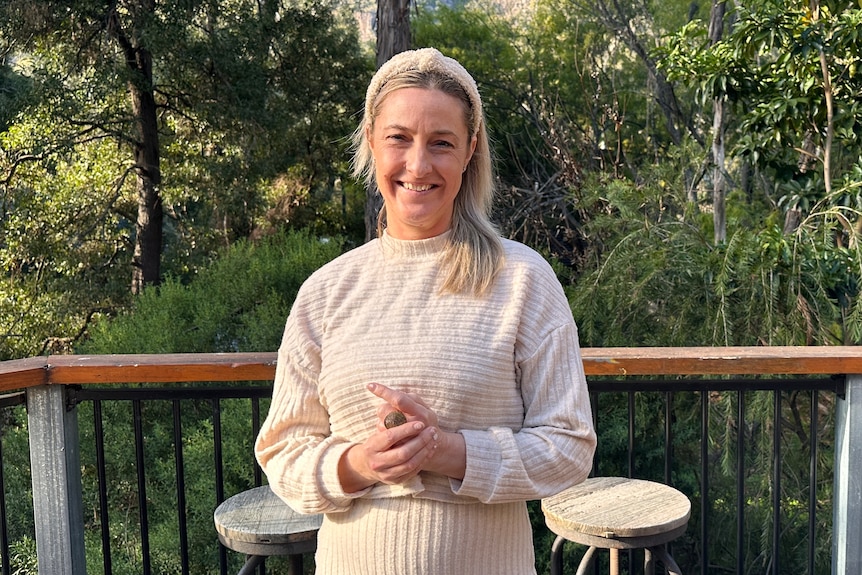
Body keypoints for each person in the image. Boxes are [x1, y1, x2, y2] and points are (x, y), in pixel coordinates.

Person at [254, 47, 596, 575]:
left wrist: (447, 452)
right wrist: (358, 463)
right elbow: (282, 452)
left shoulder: (523, 281)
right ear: (372, 142)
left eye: (441, 143)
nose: (418, 164)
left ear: (469, 150)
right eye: (399, 139)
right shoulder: (326, 293)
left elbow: (569, 447)